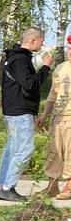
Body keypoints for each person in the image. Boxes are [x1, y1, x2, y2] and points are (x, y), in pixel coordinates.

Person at [0, 27, 53, 202]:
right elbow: (30, 84)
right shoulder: (20, 60)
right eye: (41, 41)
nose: (43, 44)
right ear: (33, 40)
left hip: (13, 110)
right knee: (24, 149)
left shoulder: (13, 58)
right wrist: (45, 68)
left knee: (12, 149)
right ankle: (8, 187)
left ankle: (2, 186)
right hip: (20, 111)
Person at [39, 34, 71, 199]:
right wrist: (44, 115)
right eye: (69, 48)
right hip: (58, 117)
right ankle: (52, 186)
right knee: (54, 152)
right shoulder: (60, 68)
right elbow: (53, 94)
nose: (70, 51)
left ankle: (69, 187)